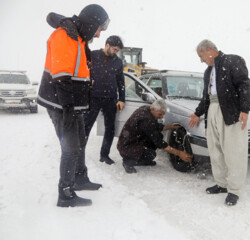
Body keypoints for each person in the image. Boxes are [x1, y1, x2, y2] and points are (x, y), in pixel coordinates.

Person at [37, 4, 110, 207]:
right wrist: (69, 110)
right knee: (70, 147)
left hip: (71, 104)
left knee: (80, 141)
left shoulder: (77, 37)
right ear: (90, 22)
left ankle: (79, 178)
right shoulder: (65, 35)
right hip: (60, 103)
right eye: (98, 28)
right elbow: (61, 77)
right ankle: (65, 193)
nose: (98, 34)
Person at [188, 40, 250, 206]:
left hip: (231, 111)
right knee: (215, 150)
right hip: (213, 110)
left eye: (201, 56)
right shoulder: (208, 71)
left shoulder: (232, 61)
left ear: (209, 50)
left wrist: (245, 109)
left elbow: (243, 84)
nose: (201, 60)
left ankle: (234, 190)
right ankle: (222, 184)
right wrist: (197, 113)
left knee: (234, 151)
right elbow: (206, 96)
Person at [117, 99, 193, 174]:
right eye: (160, 114)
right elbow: (159, 142)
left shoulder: (147, 109)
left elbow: (156, 126)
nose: (161, 117)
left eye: (163, 114)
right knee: (151, 154)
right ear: (153, 109)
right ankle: (128, 162)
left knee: (157, 138)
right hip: (127, 146)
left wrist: (172, 127)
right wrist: (179, 153)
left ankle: (140, 159)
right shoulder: (146, 120)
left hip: (131, 141)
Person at [83, 35, 125, 165]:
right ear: (107, 45)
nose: (116, 52)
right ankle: (78, 153)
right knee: (86, 126)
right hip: (93, 97)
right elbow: (83, 70)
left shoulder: (118, 62)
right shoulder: (93, 55)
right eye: (115, 49)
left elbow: (121, 82)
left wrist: (121, 99)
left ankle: (104, 155)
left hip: (110, 99)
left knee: (110, 128)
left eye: (118, 50)